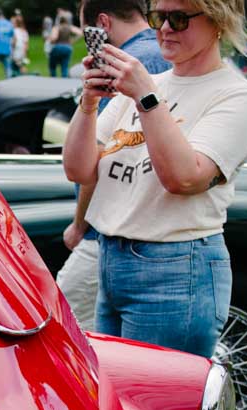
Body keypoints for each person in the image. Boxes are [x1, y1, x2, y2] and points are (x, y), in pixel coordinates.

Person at [63, 0, 247, 357]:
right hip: (112, 257)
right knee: (118, 398)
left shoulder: (236, 95)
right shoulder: (149, 84)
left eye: (180, 18)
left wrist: (146, 97)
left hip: (175, 266)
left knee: (153, 404)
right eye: (158, 17)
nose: (165, 28)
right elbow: (79, 170)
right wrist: (89, 103)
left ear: (218, 22)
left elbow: (184, 179)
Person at [55, 0, 172, 325]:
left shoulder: (127, 64)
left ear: (102, 22)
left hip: (110, 225)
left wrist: (80, 224)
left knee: (64, 323)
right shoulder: (162, 53)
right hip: (146, 226)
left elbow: (103, 153)